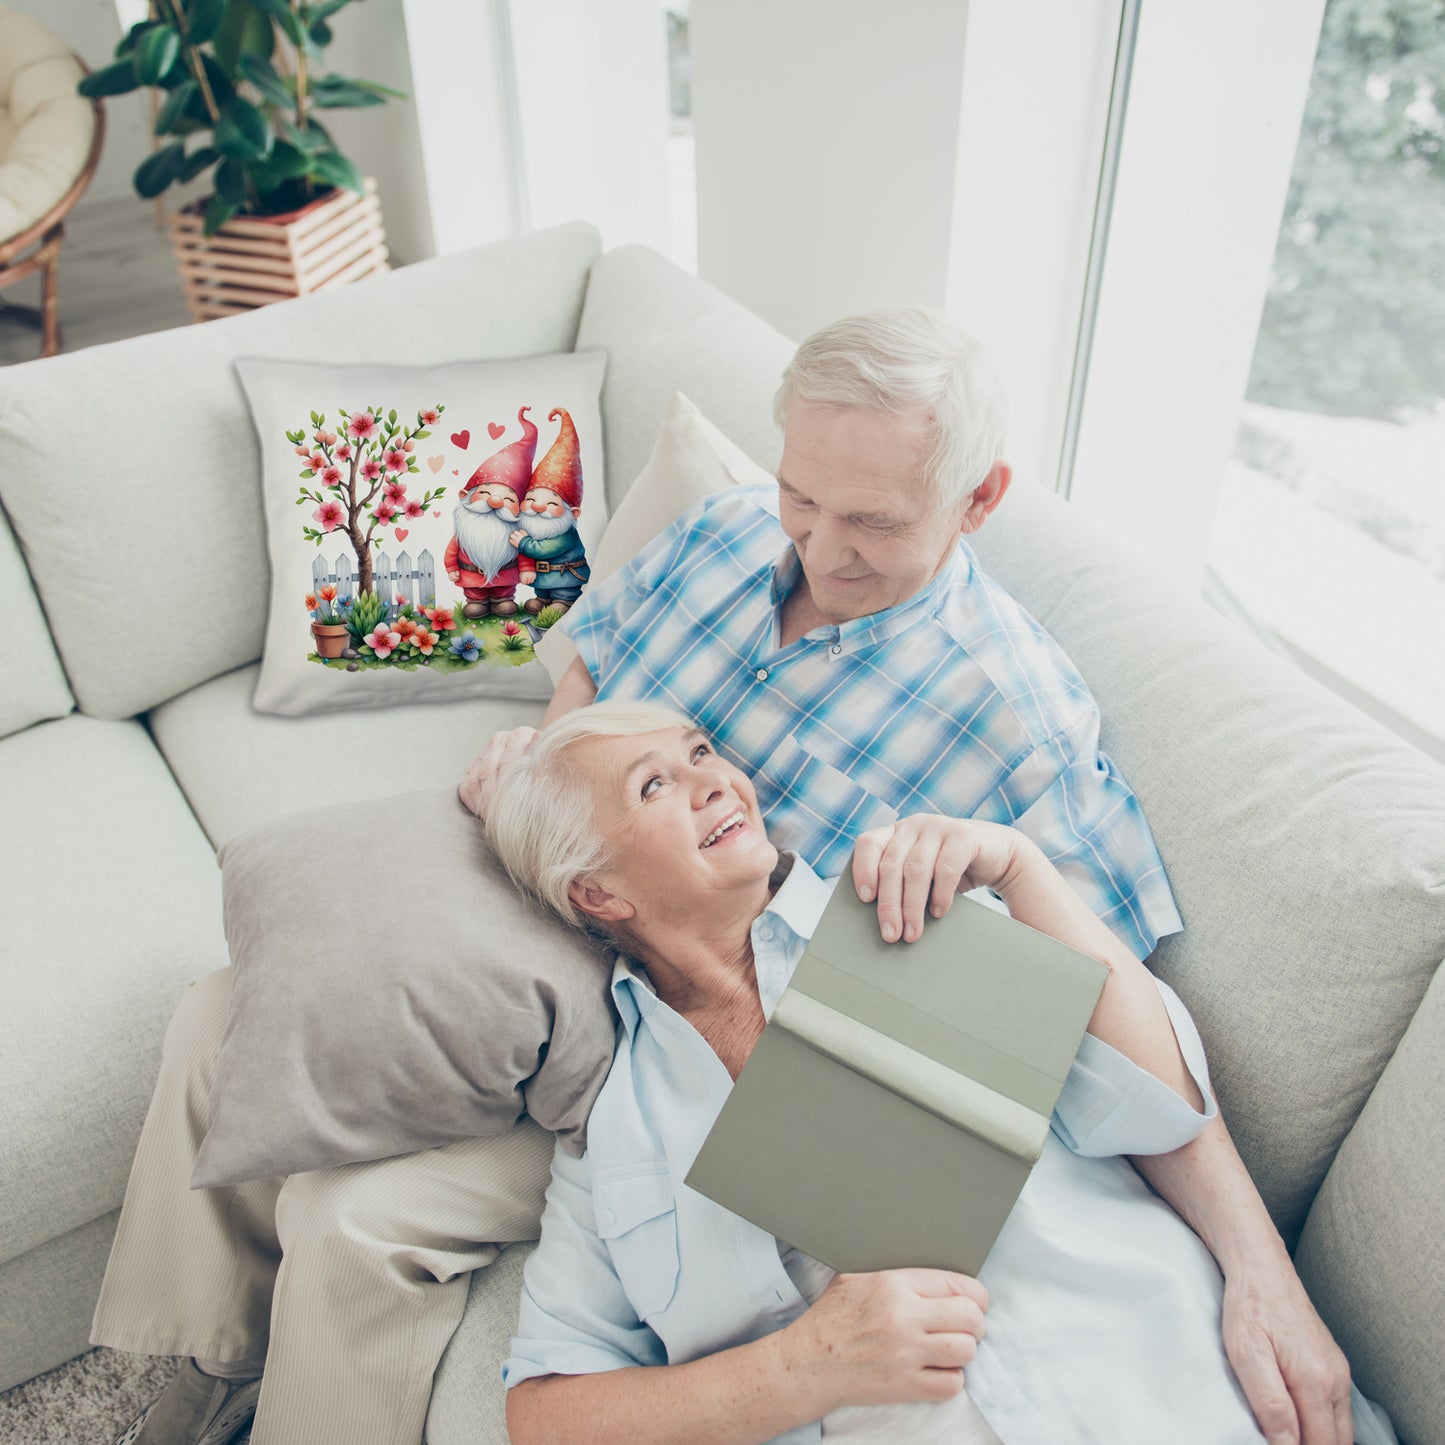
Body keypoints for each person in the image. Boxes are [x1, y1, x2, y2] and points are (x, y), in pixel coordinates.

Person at [94, 309, 1349, 1445]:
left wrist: (1259, 1266)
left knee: (355, 1218)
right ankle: (194, 1362)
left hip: (693, 1012)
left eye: (871, 520)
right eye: (804, 495)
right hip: (580, 887)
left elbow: (1103, 1019)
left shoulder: (1017, 725)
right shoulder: (724, 532)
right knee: (229, 1007)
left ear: (976, 501)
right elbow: (593, 668)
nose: (819, 545)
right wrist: (545, 764)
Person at [487, 702, 1387, 1445]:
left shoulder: (909, 908)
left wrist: (1020, 868)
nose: (715, 779)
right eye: (655, 784)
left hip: (1176, 1395)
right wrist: (802, 1367)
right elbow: (544, 1414)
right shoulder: (615, 1132)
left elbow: (1158, 1106)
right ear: (597, 893)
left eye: (700, 752)